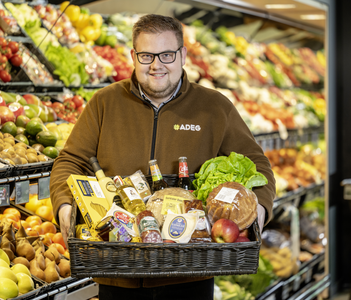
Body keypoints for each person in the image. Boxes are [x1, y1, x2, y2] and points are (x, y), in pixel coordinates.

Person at [50, 13, 276, 300]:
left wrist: (259, 210)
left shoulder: (215, 107)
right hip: (118, 275)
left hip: (190, 275)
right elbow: (70, 161)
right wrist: (64, 207)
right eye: (146, 55)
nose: (157, 65)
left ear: (182, 56)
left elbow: (258, 165)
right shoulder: (104, 103)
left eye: (167, 54)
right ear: (133, 56)